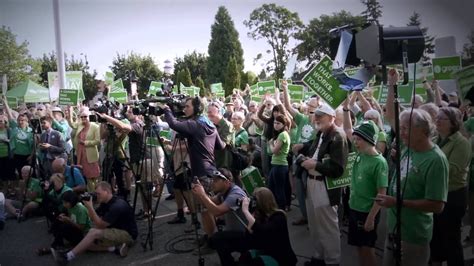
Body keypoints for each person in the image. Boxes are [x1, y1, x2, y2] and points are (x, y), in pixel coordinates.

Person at [376, 69, 449, 266]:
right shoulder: (409, 146)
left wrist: (398, 202)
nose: (401, 133)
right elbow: (391, 115)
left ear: (423, 131)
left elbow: (437, 205)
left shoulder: (436, 160)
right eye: (402, 128)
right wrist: (392, 85)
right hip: (394, 229)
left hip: (413, 236)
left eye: (407, 128)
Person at [161, 96, 226, 250]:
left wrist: (166, 109)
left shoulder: (195, 124)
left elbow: (173, 123)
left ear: (196, 108)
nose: (184, 109)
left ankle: (211, 241)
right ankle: (212, 235)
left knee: (204, 211)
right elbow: (221, 146)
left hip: (201, 174)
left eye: (188, 106)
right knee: (208, 208)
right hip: (211, 170)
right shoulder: (210, 124)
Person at [293, 103, 349, 266]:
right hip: (312, 182)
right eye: (316, 115)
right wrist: (303, 146)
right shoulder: (323, 133)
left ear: (332, 118)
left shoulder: (338, 136)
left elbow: (338, 168)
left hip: (324, 186)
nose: (316, 118)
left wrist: (315, 165)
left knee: (328, 227)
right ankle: (319, 257)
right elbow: (314, 146)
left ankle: (332, 261)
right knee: (315, 225)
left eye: (320, 115)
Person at [51, 182, 138, 264]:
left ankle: (67, 257)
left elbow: (100, 224)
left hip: (128, 234)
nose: (96, 196)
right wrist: (87, 205)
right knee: (86, 241)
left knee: (93, 233)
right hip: (114, 230)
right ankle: (114, 248)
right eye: (95, 193)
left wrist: (90, 207)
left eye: (98, 193)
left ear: (107, 191)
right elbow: (92, 218)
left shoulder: (117, 205)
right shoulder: (105, 203)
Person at [343, 111, 388, 266]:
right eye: (355, 139)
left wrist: (370, 218)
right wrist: (346, 109)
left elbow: (382, 194)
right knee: (358, 246)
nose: (355, 142)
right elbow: (348, 130)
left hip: (367, 212)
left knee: (368, 248)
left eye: (358, 139)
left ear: (369, 140)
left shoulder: (379, 163)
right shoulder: (360, 153)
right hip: (354, 208)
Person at [430, 107, 471, 266]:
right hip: (436, 194)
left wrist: (428, 167)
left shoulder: (462, 143)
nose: (437, 121)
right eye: (437, 118)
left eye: (442, 119)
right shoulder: (435, 139)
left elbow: (452, 170)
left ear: (453, 123)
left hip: (453, 196)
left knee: (451, 240)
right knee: (436, 238)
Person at [192, 169, 247, 255]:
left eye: (216, 180)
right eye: (213, 180)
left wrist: (202, 194)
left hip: (245, 235)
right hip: (234, 232)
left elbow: (217, 212)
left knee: (217, 239)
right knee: (218, 239)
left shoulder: (235, 194)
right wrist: (199, 194)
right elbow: (210, 202)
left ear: (227, 182)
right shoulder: (224, 192)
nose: (213, 183)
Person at [67, 107, 101, 192]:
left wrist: (85, 143)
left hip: (91, 155)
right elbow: (71, 124)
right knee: (87, 176)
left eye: (85, 116)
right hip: (81, 155)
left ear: (89, 116)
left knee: (94, 176)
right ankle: (91, 194)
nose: (83, 118)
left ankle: (96, 192)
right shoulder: (80, 125)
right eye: (81, 117)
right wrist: (70, 112)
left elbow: (97, 141)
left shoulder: (95, 127)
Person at [2, 96, 34, 177]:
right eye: (19, 120)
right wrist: (5, 102)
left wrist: (31, 156)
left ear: (27, 121)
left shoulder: (31, 131)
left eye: (22, 120)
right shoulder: (15, 127)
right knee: (20, 175)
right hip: (17, 156)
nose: (20, 122)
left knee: (29, 175)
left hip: (28, 156)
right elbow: (9, 115)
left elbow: (34, 145)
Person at [267, 114, 291, 210]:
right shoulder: (282, 134)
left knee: (278, 189)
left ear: (284, 125)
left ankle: (281, 209)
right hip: (277, 165)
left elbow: (274, 151)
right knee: (273, 188)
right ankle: (281, 208)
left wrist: (270, 144)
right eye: (274, 123)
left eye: (278, 123)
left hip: (280, 165)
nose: (275, 125)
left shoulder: (282, 135)